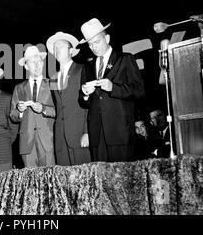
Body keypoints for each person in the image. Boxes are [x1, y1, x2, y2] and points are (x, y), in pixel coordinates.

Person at [79, 18, 145, 162]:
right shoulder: (87, 68)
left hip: (120, 131)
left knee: (122, 179)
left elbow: (139, 90)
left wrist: (113, 88)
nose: (93, 47)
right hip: (97, 133)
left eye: (97, 42)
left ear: (107, 38)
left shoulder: (125, 59)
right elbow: (83, 103)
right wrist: (84, 94)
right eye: (90, 45)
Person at [46, 31, 91, 166]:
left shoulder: (83, 70)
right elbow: (57, 107)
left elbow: (90, 103)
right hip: (60, 138)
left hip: (79, 135)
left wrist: (87, 132)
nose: (56, 50)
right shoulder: (53, 78)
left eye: (60, 47)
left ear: (71, 50)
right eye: (55, 48)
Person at [10, 46, 55, 168]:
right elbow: (13, 116)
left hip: (48, 142)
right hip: (27, 143)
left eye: (39, 61)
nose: (37, 65)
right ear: (26, 66)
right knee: (30, 183)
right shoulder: (19, 88)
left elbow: (59, 111)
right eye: (33, 62)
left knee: (49, 180)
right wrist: (19, 111)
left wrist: (44, 109)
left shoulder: (52, 84)